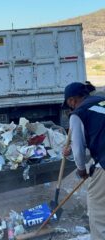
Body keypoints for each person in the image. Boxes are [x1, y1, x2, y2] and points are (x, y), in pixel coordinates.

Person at [63, 82, 105, 240]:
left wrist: (81, 170)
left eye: (69, 105)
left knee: (98, 212)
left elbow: (79, 150)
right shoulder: (101, 100)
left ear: (72, 101)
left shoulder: (78, 114)